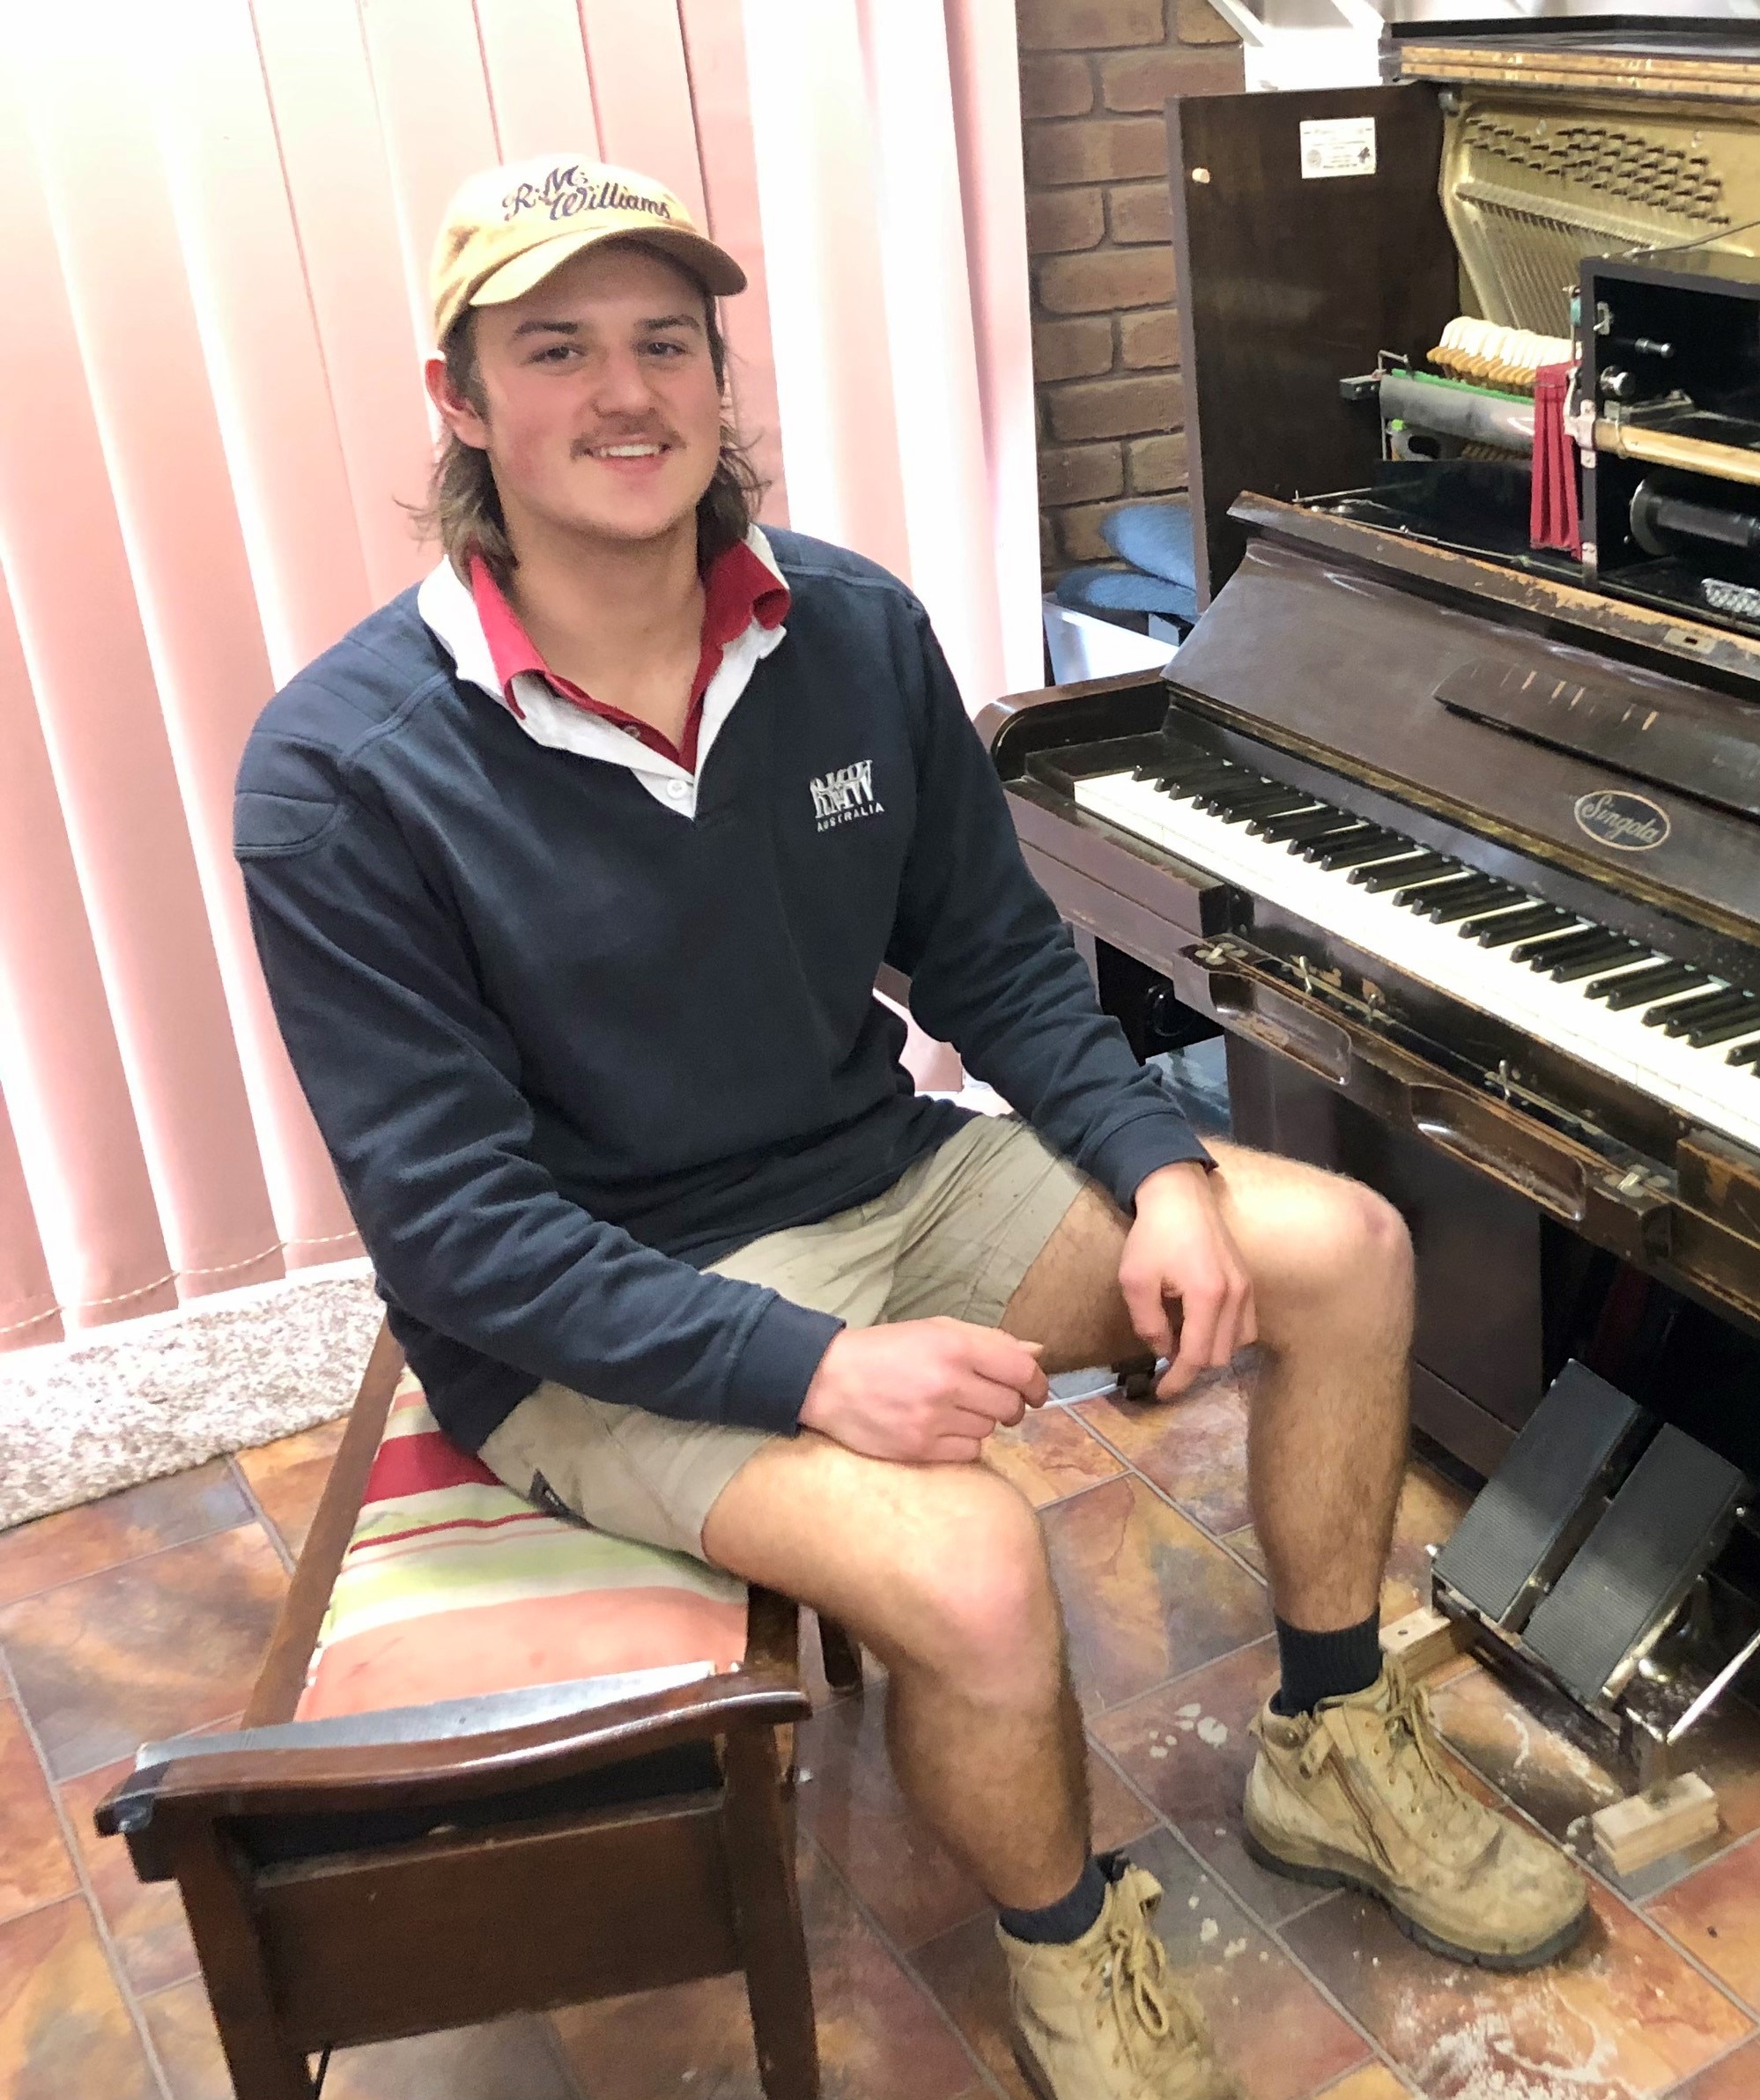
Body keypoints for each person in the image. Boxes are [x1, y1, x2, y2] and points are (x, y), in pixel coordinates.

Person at [233, 157, 1586, 2100]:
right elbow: (461, 1241)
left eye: (664, 342)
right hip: (591, 1314)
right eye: (557, 350)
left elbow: (1005, 965)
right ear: (461, 399)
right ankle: (1068, 1950)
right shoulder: (343, 774)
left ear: (716, 376)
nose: (625, 395)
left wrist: (1163, 1169)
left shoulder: (849, 631)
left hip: (878, 1173)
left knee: (1346, 1251)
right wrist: (815, 1369)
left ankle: (1333, 1741)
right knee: (968, 1566)